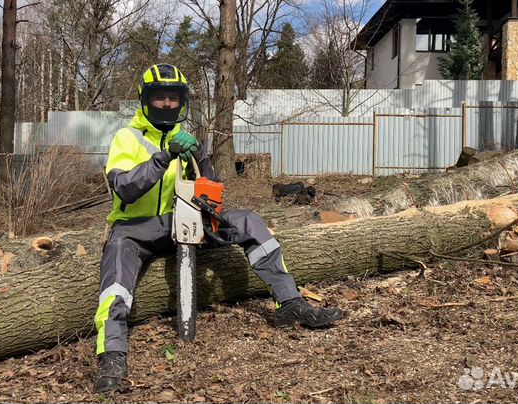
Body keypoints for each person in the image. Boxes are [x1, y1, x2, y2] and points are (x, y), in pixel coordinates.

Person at [94, 63, 343, 392]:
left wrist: (200, 155)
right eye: (159, 98)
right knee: (115, 275)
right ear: (145, 100)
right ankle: (112, 354)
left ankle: (290, 304)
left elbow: (210, 191)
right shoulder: (127, 138)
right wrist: (164, 158)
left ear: (182, 101)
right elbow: (125, 187)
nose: (167, 104)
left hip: (181, 221)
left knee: (248, 221)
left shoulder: (188, 138)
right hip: (134, 229)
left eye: (173, 98)